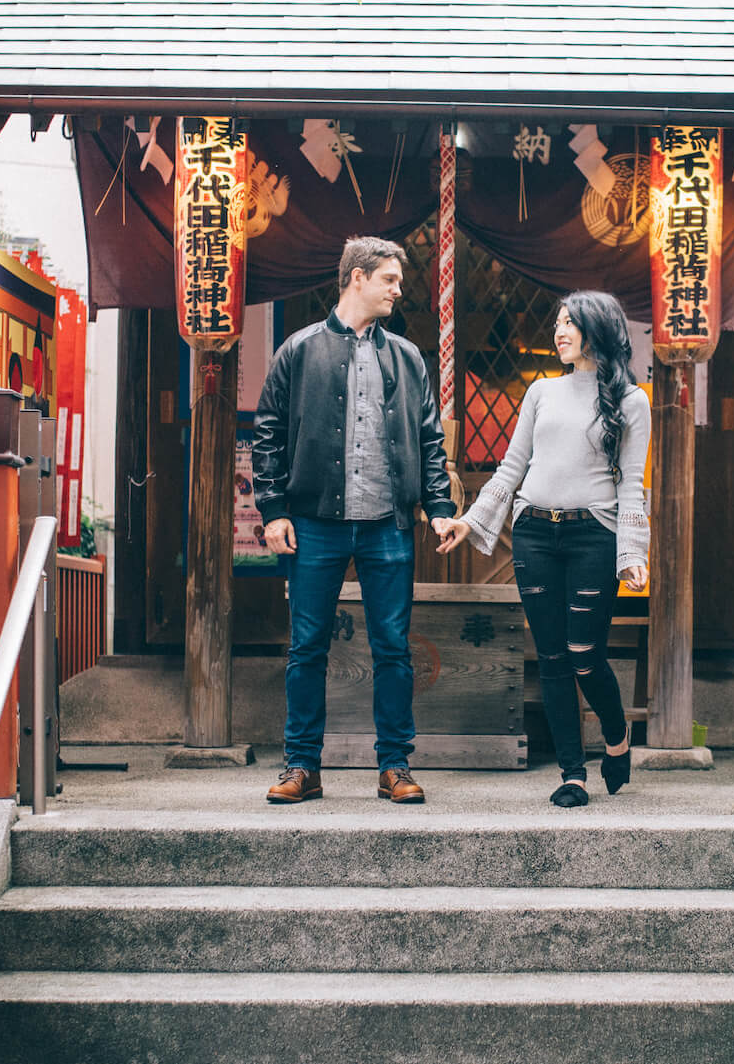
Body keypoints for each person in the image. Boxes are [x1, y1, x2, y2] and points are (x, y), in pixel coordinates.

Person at [253, 237, 460, 805]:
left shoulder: (408, 356)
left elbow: (429, 440)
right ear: (357, 279)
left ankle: (394, 765)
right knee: (307, 647)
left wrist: (439, 510)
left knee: (393, 647)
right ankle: (302, 765)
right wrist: (272, 511)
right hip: (313, 520)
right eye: (389, 279)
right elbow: (267, 433)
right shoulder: (299, 349)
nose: (398, 289)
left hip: (387, 523)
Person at [438, 291, 651, 807]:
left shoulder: (631, 400)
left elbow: (631, 485)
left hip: (591, 535)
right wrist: (471, 521)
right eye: (556, 322)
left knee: (585, 653)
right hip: (534, 531)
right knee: (553, 656)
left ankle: (616, 731)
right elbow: (512, 468)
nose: (558, 331)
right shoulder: (541, 392)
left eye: (569, 323)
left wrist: (633, 552)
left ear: (595, 330)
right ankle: (572, 773)